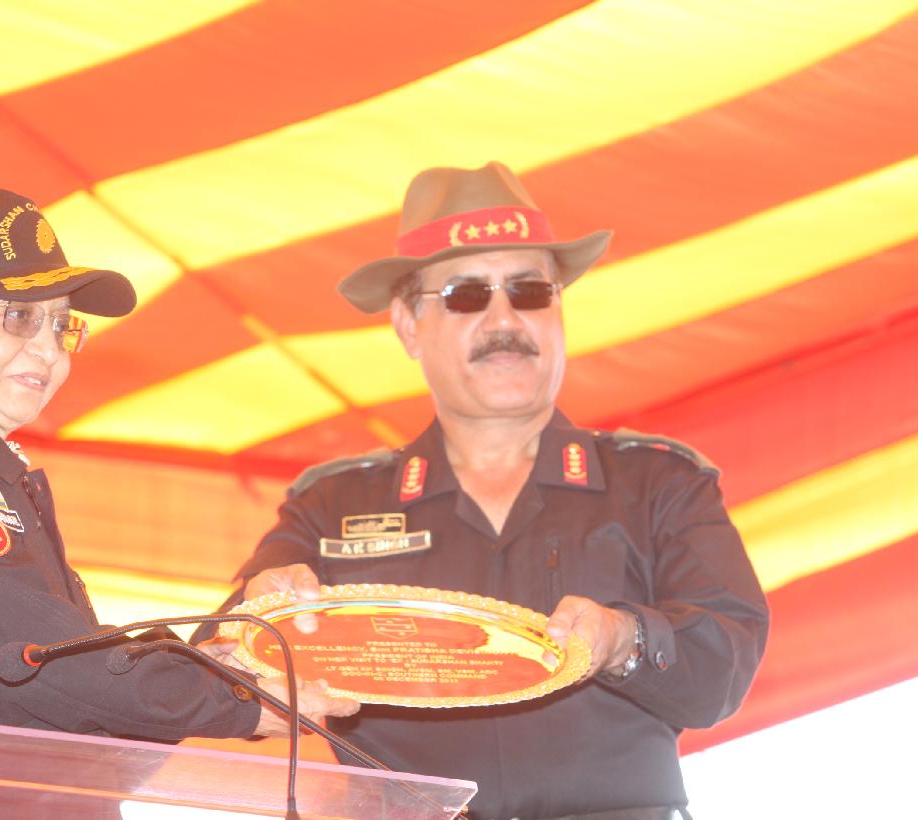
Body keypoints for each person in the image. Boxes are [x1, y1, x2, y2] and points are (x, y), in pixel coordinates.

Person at [200, 163, 769, 819]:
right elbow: (210, 671)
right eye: (467, 295)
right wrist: (259, 624)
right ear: (408, 325)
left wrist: (623, 639)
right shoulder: (332, 505)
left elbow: (725, 673)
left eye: (530, 291)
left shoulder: (659, 482)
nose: (505, 318)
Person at [0, 188, 358, 818]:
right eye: (18, 317)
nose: (50, 349)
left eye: (61, 324)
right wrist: (239, 699)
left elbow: (86, 715)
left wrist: (226, 650)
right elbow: (37, 665)